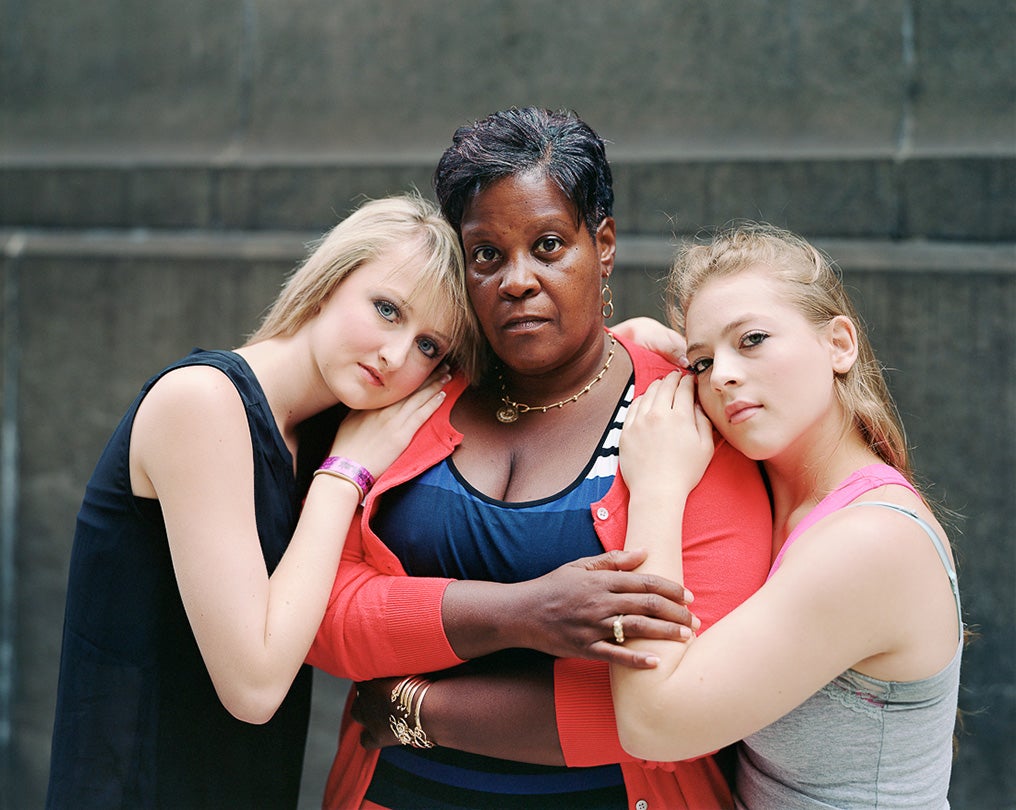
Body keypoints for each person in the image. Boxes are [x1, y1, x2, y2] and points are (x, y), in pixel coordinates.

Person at [306, 107, 773, 809]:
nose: (516, 280)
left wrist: (415, 710)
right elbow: (325, 613)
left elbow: (688, 699)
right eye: (486, 255)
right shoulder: (410, 397)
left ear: (603, 245)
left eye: (548, 245)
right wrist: (523, 612)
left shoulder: (681, 419)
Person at [45, 194, 483, 809]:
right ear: (331, 283)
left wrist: (627, 344)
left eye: (429, 347)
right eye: (387, 310)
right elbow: (253, 686)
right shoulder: (202, 403)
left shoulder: (316, 436)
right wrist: (345, 476)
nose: (396, 355)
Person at [610, 223, 962, 808]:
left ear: (840, 345)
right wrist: (641, 345)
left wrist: (658, 490)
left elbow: (654, 725)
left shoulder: (873, 541)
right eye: (701, 363)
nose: (721, 375)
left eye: (751, 340)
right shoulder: (781, 495)